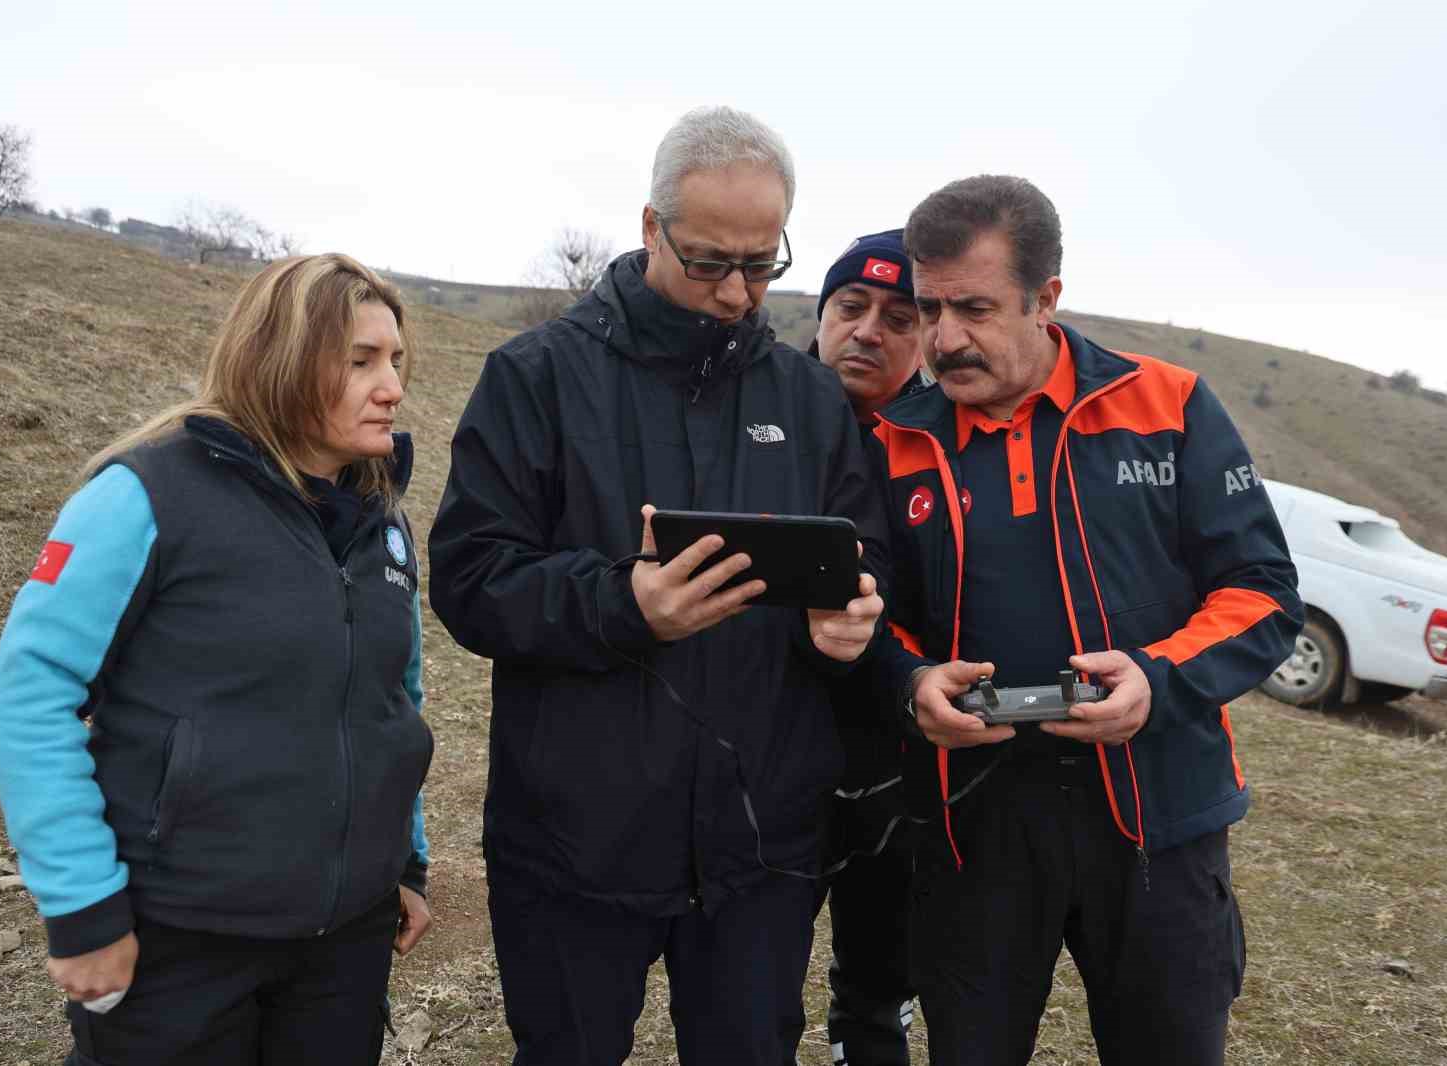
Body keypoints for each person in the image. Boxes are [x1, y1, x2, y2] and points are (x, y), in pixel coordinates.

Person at [428, 106, 886, 1066]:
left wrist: (845, 626)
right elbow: (469, 579)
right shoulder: (537, 378)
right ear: (649, 229)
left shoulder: (811, 403)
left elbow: (858, 562)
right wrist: (620, 604)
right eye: (711, 261)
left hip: (761, 848)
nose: (736, 292)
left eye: (762, 265)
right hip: (575, 839)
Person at [864, 176, 1304, 1065]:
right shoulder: (890, 440)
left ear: (1046, 300)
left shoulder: (1168, 406)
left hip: (1157, 817)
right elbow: (864, 617)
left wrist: (1160, 676)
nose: (945, 339)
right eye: (930, 308)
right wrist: (910, 683)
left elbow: (1261, 590)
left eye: (976, 308)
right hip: (972, 823)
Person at [0, 254, 435, 1066]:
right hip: (180, 942)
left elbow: (391, 701)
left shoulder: (384, 522)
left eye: (395, 361)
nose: (392, 387)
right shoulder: (146, 496)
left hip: (344, 946)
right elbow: (28, 694)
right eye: (361, 361)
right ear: (283, 361)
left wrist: (405, 861)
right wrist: (84, 909)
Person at [809, 229, 929, 1066]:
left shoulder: (945, 442)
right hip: (771, 740)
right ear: (820, 316)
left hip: (898, 753)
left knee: (881, 978)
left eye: (898, 316)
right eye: (851, 307)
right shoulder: (754, 418)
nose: (868, 331)